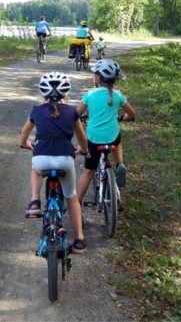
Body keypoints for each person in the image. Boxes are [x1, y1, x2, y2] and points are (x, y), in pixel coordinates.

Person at [20, 72, 90, 253]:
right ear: (65, 94)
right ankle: (80, 239)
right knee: (72, 197)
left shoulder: (36, 110)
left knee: (36, 170)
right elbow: (82, 139)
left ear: (43, 93)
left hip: (41, 158)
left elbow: (24, 135)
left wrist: (26, 144)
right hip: (65, 160)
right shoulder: (72, 112)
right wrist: (83, 150)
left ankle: (35, 201)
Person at [76, 59, 136, 206]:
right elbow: (132, 114)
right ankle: (119, 163)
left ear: (97, 78)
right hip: (112, 138)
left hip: (94, 140)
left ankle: (75, 204)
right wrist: (123, 117)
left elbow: (75, 115)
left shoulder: (89, 95)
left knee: (88, 172)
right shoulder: (118, 95)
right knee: (118, 141)